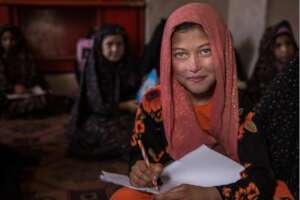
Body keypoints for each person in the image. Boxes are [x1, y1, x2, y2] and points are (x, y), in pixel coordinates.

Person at [110, 3, 278, 199]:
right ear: (167, 59)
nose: (193, 66)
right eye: (180, 54)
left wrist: (210, 195)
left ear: (222, 51)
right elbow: (139, 153)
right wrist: (139, 170)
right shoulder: (153, 102)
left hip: (222, 192)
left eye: (205, 51)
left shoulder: (243, 107)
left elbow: (262, 178)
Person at [67, 24, 139, 159]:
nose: (115, 49)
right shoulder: (93, 67)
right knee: (126, 137)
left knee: (148, 130)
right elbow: (98, 106)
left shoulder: (128, 64)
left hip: (124, 115)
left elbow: (134, 91)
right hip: (96, 117)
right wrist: (125, 105)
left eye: (119, 44)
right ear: (100, 46)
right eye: (109, 44)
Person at [0, 25, 49, 118]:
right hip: (6, 94)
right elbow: (1, 80)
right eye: (4, 39)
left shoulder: (26, 56)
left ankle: (23, 111)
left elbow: (34, 74)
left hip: (26, 91)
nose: (9, 43)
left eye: (12, 39)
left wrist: (25, 87)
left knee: (45, 99)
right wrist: (13, 88)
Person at [246, 20, 298, 107]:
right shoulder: (261, 74)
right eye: (278, 45)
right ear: (270, 49)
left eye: (288, 43)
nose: (284, 49)